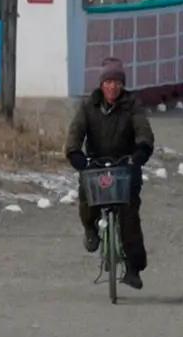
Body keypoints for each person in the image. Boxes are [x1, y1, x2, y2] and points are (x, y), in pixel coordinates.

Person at [66, 60, 157, 285]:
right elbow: (76, 131)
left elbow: (143, 130)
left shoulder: (132, 105)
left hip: (125, 165)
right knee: (87, 200)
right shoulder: (89, 106)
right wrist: (75, 153)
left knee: (129, 216)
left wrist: (140, 152)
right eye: (108, 82)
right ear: (101, 84)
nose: (113, 87)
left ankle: (133, 268)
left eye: (117, 83)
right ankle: (91, 230)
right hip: (96, 164)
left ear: (122, 85)